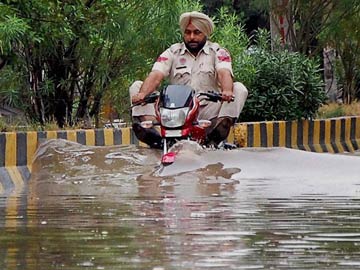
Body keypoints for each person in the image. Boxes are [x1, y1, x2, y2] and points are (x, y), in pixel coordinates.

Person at [130, 11, 248, 148]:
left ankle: (217, 134)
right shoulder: (172, 52)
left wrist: (227, 90)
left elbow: (224, 73)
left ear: (206, 33)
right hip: (176, 113)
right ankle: (153, 135)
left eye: (197, 33)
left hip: (207, 113)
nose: (192, 37)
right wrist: (142, 94)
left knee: (239, 88)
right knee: (136, 86)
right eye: (188, 33)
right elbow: (156, 75)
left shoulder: (218, 52)